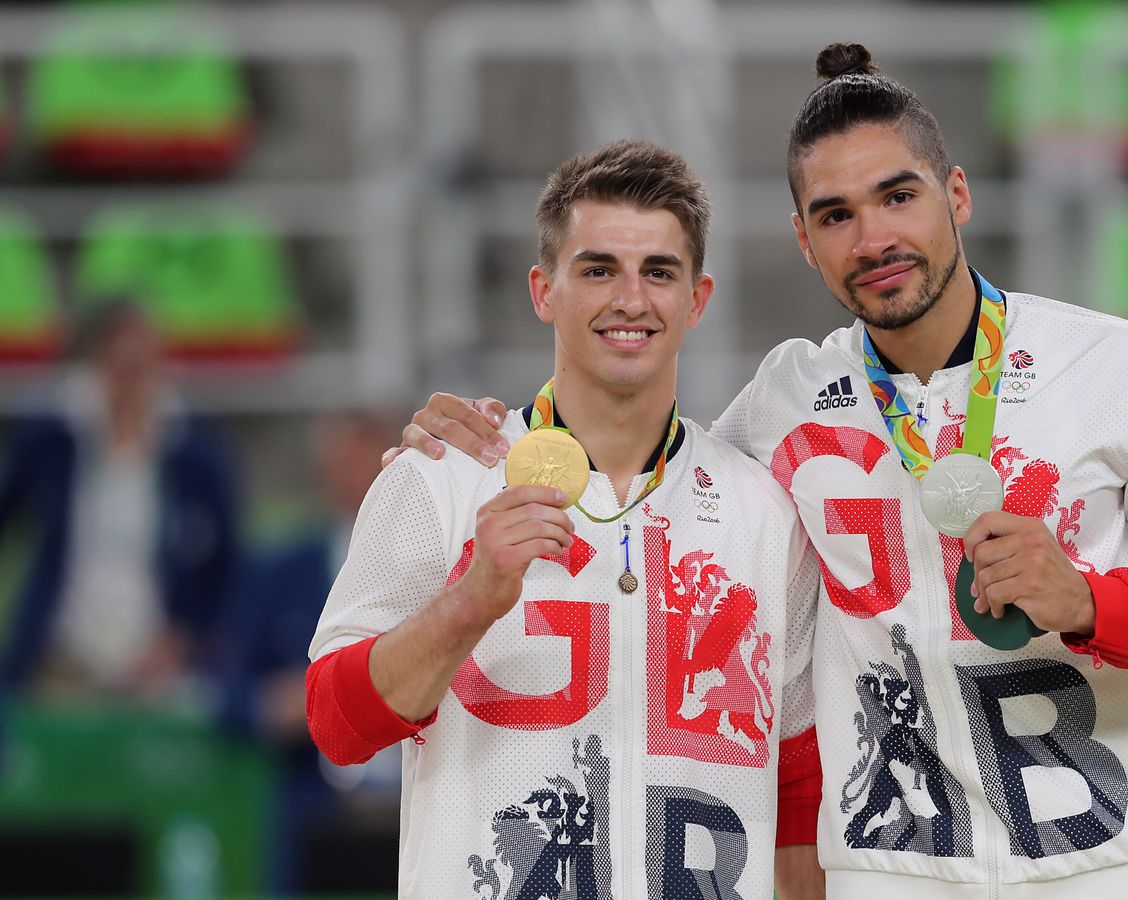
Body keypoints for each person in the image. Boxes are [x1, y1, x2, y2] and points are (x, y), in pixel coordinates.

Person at [398, 44, 1128, 899]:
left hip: (1111, 877)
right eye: (837, 215)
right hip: (886, 884)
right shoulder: (787, 399)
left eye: (898, 196)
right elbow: (643, 468)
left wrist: (1091, 603)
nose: (873, 237)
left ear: (956, 194)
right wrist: (497, 431)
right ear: (804, 239)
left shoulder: (1121, 369)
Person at [304, 140, 821, 899]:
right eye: (599, 269)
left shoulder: (765, 512)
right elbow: (336, 726)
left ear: (697, 300)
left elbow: (800, 782)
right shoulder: (442, 476)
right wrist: (471, 600)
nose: (631, 300)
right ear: (545, 290)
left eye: (659, 272)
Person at [0, 300, 238, 700]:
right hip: (62, 654)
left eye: (141, 366)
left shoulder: (196, 452)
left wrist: (184, 636)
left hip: (157, 662)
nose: (131, 381)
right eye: (120, 365)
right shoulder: (51, 438)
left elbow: (227, 565)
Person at [217, 413, 402, 894]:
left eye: (370, 460)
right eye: (343, 461)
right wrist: (273, 704)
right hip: (315, 808)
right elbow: (227, 693)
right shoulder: (277, 572)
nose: (357, 475)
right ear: (323, 470)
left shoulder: (441, 561)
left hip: (418, 797)